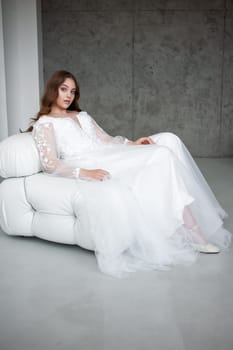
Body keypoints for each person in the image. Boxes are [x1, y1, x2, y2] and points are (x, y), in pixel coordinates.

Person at [29, 70, 231, 277]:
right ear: (53, 90)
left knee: (169, 139)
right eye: (63, 89)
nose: (68, 95)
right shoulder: (45, 124)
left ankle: (180, 221)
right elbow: (50, 164)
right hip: (92, 162)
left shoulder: (82, 115)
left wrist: (132, 144)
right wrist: (86, 172)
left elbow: (106, 139)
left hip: (110, 153)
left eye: (72, 91)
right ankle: (193, 231)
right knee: (161, 154)